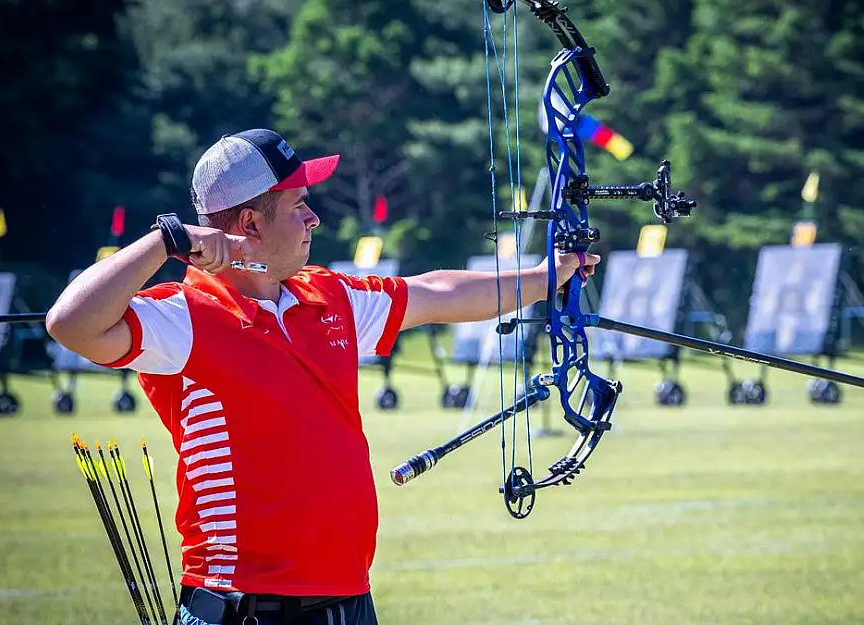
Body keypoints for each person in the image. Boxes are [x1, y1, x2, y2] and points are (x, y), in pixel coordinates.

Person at [45, 128, 599, 625]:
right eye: (299, 205)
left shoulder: (327, 296)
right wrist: (165, 243)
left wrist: (548, 276)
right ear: (249, 224)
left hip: (348, 601)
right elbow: (71, 324)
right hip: (246, 605)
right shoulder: (183, 318)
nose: (314, 219)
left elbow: (438, 293)